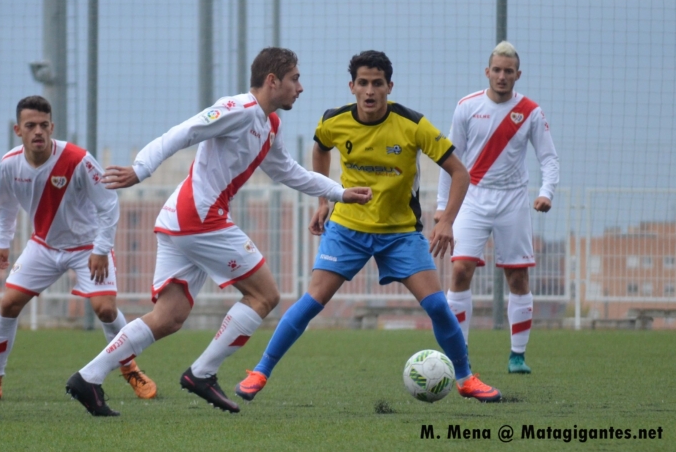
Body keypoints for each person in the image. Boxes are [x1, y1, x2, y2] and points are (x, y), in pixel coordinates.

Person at [65, 47, 372, 416]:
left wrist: (338, 192)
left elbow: (288, 171)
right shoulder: (237, 109)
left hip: (182, 220)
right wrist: (140, 169)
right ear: (272, 81)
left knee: (169, 318)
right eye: (295, 79)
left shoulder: (270, 124)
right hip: (199, 217)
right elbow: (185, 131)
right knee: (265, 295)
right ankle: (202, 373)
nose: (300, 88)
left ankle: (89, 377)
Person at [236, 50, 502, 404]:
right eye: (363, 83)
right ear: (352, 87)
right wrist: (323, 202)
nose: (370, 90)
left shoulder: (413, 125)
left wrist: (447, 220)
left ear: (390, 86)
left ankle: (466, 378)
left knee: (438, 306)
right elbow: (320, 150)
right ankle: (260, 371)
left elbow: (460, 172)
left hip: (400, 234)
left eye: (378, 83)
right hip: (348, 229)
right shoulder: (334, 121)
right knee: (312, 302)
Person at [0, 95, 157, 402]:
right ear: (19, 130)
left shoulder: (77, 159)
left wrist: (101, 248)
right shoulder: (9, 164)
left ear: (52, 126)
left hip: (88, 247)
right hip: (43, 245)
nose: (38, 131)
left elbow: (109, 204)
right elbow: (4, 206)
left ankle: (130, 369)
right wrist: (3, 242)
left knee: (106, 309)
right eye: (30, 126)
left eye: (44, 125)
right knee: (9, 304)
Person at [435, 41, 560, 374]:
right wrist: (440, 207)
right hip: (472, 197)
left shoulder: (531, 111)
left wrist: (546, 192)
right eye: (497, 70)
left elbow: (548, 157)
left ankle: (517, 355)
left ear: (518, 74)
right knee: (460, 270)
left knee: (517, 277)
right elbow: (450, 160)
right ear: (487, 72)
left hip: (513, 200)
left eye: (509, 71)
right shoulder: (466, 107)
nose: (502, 76)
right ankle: (459, 354)